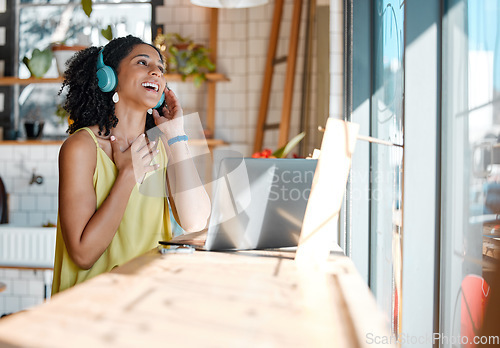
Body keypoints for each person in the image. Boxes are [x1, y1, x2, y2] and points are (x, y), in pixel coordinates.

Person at [51, 35, 211, 294]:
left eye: (160, 68)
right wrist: (127, 174)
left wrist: (175, 134)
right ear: (108, 77)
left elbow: (195, 221)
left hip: (143, 301)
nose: (156, 72)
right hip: (86, 307)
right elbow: (83, 254)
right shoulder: (82, 147)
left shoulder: (162, 146)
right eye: (142, 62)